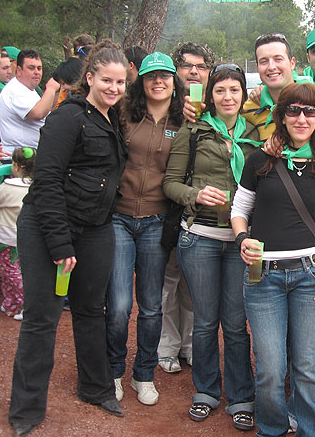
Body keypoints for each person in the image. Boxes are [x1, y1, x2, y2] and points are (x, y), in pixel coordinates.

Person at [9, 41, 128, 437]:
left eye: (120, 82)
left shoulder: (113, 119)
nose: (113, 88)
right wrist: (60, 245)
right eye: (106, 80)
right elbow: (45, 181)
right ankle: (26, 409)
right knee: (41, 317)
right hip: (48, 227)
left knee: (92, 310)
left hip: (95, 229)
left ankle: (95, 388)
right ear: (89, 77)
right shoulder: (66, 117)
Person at [232, 82, 315, 437]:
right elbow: (239, 210)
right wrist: (242, 238)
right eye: (293, 110)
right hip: (263, 276)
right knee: (270, 368)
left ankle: (308, 432)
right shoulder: (259, 159)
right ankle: (272, 429)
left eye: (309, 112)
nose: (301, 118)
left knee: (307, 367)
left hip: (312, 278)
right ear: (282, 115)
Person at [164, 63, 259, 430]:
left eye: (234, 89)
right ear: (210, 94)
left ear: (243, 93)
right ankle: (205, 390)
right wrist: (194, 194)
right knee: (204, 322)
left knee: (236, 324)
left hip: (240, 242)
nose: (228, 97)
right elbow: (171, 183)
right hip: (199, 237)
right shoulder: (194, 130)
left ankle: (240, 396)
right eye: (220, 90)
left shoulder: (258, 134)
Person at [105, 52, 184, 406]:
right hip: (119, 218)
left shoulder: (184, 121)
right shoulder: (122, 114)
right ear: (143, 81)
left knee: (151, 305)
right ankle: (112, 371)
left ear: (173, 81)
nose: (158, 81)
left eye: (165, 75)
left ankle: (144, 374)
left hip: (156, 221)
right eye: (152, 75)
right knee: (120, 304)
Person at [157, 41, 214, 374]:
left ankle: (191, 345)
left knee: (195, 284)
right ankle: (168, 346)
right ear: (176, 70)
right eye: (187, 65)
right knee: (169, 281)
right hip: (167, 207)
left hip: (205, 213)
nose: (194, 71)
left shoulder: (219, 104)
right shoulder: (164, 103)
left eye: (202, 66)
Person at [242, 33, 312, 140]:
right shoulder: (249, 108)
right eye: (264, 61)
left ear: (292, 63)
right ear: (257, 67)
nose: (271, 67)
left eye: (278, 59)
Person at [0, 147, 35, 321]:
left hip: (6, 240)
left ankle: (27, 304)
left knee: (11, 273)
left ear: (17, 167)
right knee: (10, 272)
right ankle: (11, 303)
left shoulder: (7, 188)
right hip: (24, 238)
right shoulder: (34, 186)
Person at [0, 50, 61, 155]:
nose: (36, 72)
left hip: (31, 155)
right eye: (31, 68)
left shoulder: (28, 89)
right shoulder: (16, 90)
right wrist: (51, 88)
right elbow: (37, 113)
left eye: (39, 68)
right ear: (19, 70)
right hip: (19, 160)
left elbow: (47, 109)